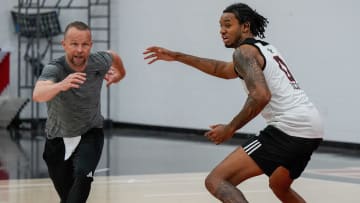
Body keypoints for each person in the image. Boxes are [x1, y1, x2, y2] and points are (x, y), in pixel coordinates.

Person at [143, 3, 323, 203]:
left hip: (290, 127)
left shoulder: (244, 52)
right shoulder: (264, 48)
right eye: (220, 25)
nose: (222, 30)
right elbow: (223, 70)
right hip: (312, 127)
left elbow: (261, 96)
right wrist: (177, 56)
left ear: (245, 27)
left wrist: (229, 128)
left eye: (227, 25)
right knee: (279, 185)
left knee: (217, 180)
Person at [33, 21, 126, 203]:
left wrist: (120, 74)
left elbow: (113, 56)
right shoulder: (55, 68)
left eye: (85, 44)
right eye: (74, 44)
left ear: (90, 46)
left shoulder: (99, 61)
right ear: (64, 45)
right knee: (68, 196)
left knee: (84, 177)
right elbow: (38, 94)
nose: (80, 50)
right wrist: (61, 85)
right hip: (57, 140)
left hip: (90, 133)